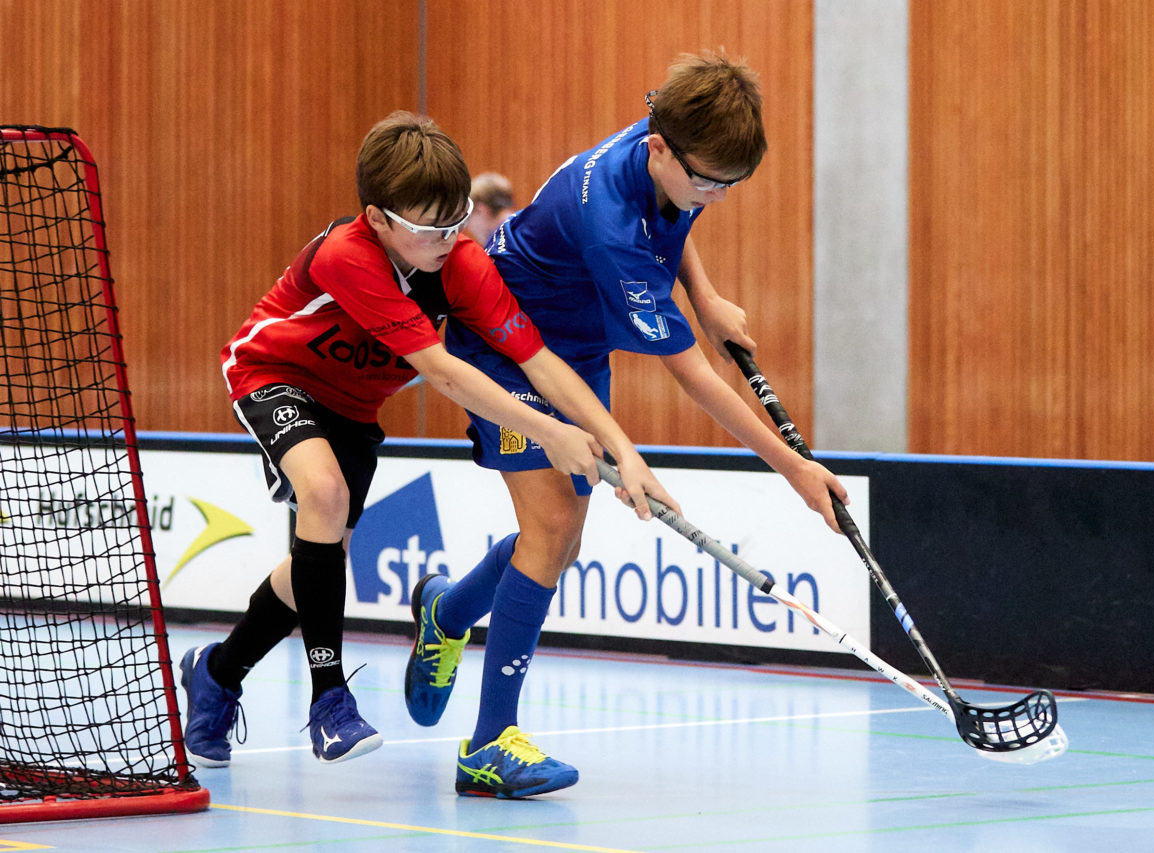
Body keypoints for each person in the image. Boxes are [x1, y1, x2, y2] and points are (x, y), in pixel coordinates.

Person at [404, 51, 849, 799]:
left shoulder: (672, 140)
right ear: (659, 147)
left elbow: (677, 215)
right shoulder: (609, 221)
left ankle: (446, 611)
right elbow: (694, 377)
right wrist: (795, 469)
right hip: (507, 342)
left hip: (576, 347)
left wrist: (703, 297)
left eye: (731, 184)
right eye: (709, 179)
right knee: (548, 531)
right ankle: (487, 746)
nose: (717, 195)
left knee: (564, 538)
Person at [178, 111, 675, 770]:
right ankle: (330, 701)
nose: (448, 238)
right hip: (274, 376)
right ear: (379, 219)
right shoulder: (348, 255)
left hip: (354, 406)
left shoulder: (460, 260)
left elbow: (537, 359)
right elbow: (442, 370)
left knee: (315, 565)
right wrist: (550, 431)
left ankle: (215, 670)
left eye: (456, 219)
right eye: (429, 228)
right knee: (323, 496)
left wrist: (614, 441)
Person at [465, 171, 515, 245]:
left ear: (481, 210)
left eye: (468, 217)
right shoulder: (523, 228)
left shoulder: (499, 247)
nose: (468, 227)